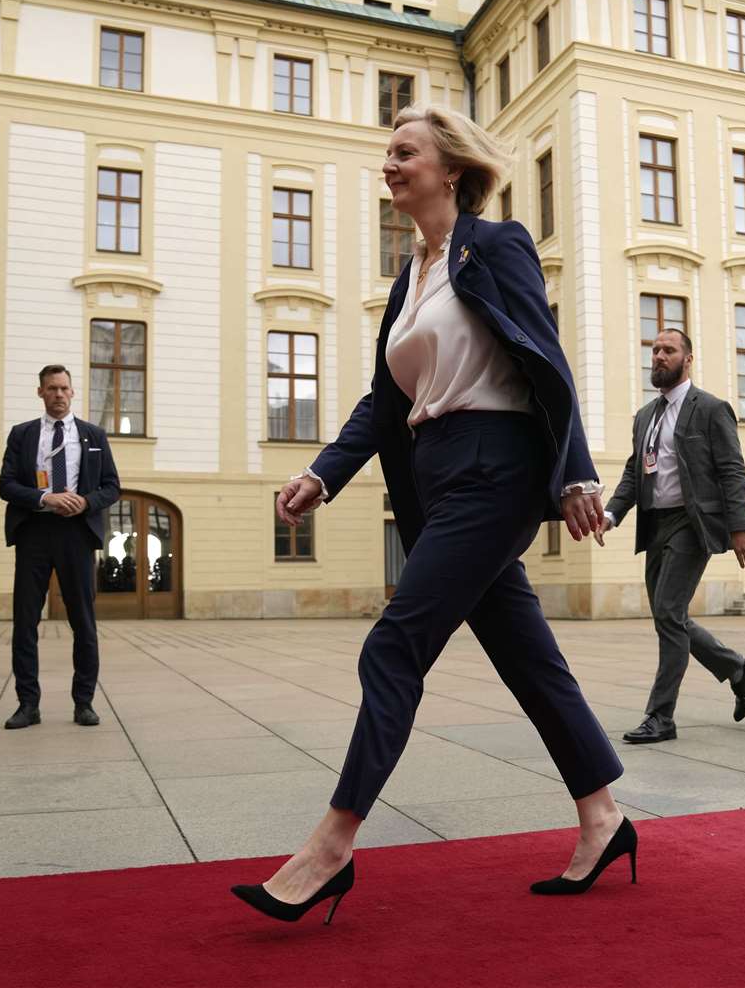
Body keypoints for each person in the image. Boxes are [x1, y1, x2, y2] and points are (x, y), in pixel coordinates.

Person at [232, 103, 629, 925]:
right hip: (437, 476)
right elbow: (385, 401)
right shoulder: (408, 278)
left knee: (394, 644)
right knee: (527, 658)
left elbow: (544, 358)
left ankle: (332, 845)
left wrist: (575, 473)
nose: (390, 164)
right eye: (387, 153)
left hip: (496, 469)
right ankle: (604, 818)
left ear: (451, 169)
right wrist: (323, 473)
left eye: (404, 151)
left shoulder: (497, 246)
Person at [601, 328, 745, 745]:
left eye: (668, 350)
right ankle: (738, 669)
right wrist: (612, 513)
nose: (658, 356)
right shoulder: (646, 416)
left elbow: (732, 469)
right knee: (669, 615)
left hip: (693, 523)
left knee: (669, 613)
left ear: (687, 359)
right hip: (656, 523)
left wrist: (741, 526)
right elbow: (636, 471)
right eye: (654, 350)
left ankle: (661, 716)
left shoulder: (709, 408)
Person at [0, 365, 122, 729]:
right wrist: (45, 498)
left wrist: (85, 502)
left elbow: (112, 486)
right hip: (34, 532)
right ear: (40, 392)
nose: (59, 394)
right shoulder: (23, 434)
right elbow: (5, 485)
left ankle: (84, 702)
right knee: (25, 622)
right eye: (51, 388)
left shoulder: (93, 435)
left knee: (83, 621)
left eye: (64, 388)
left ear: (72, 392)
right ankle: (27, 704)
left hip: (76, 536)